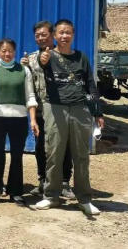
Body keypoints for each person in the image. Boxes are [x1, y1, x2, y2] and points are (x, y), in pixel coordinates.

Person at [35, 19, 105, 216]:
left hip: (80, 109)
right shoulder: (47, 55)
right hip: (55, 108)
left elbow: (90, 84)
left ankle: (84, 198)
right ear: (54, 36)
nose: (64, 36)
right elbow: (42, 63)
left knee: (81, 155)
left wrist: (97, 112)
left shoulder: (81, 57)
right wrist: (43, 60)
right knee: (54, 153)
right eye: (61, 33)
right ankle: (51, 196)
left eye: (68, 32)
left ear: (73, 35)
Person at [20, 21, 74, 199]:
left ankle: (64, 182)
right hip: (40, 111)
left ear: (52, 35)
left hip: (61, 110)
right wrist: (22, 67)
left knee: (63, 146)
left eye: (44, 34)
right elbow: (27, 84)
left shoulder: (63, 56)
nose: (40, 38)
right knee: (40, 147)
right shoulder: (31, 58)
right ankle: (43, 181)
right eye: (37, 36)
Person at [0, 38, 38, 207]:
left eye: (10, 51)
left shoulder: (23, 70)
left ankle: (16, 192)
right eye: (3, 51)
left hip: (18, 118)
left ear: (14, 51)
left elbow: (30, 96)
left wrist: (33, 119)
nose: (7, 54)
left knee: (17, 155)